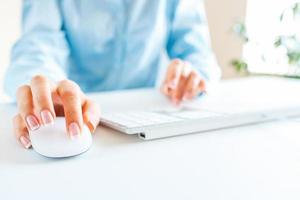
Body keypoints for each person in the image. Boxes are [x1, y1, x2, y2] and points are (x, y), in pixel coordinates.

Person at [4, 0, 221, 149]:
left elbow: (198, 51)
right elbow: (38, 43)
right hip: (76, 113)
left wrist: (193, 75)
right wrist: (45, 87)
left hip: (150, 117)